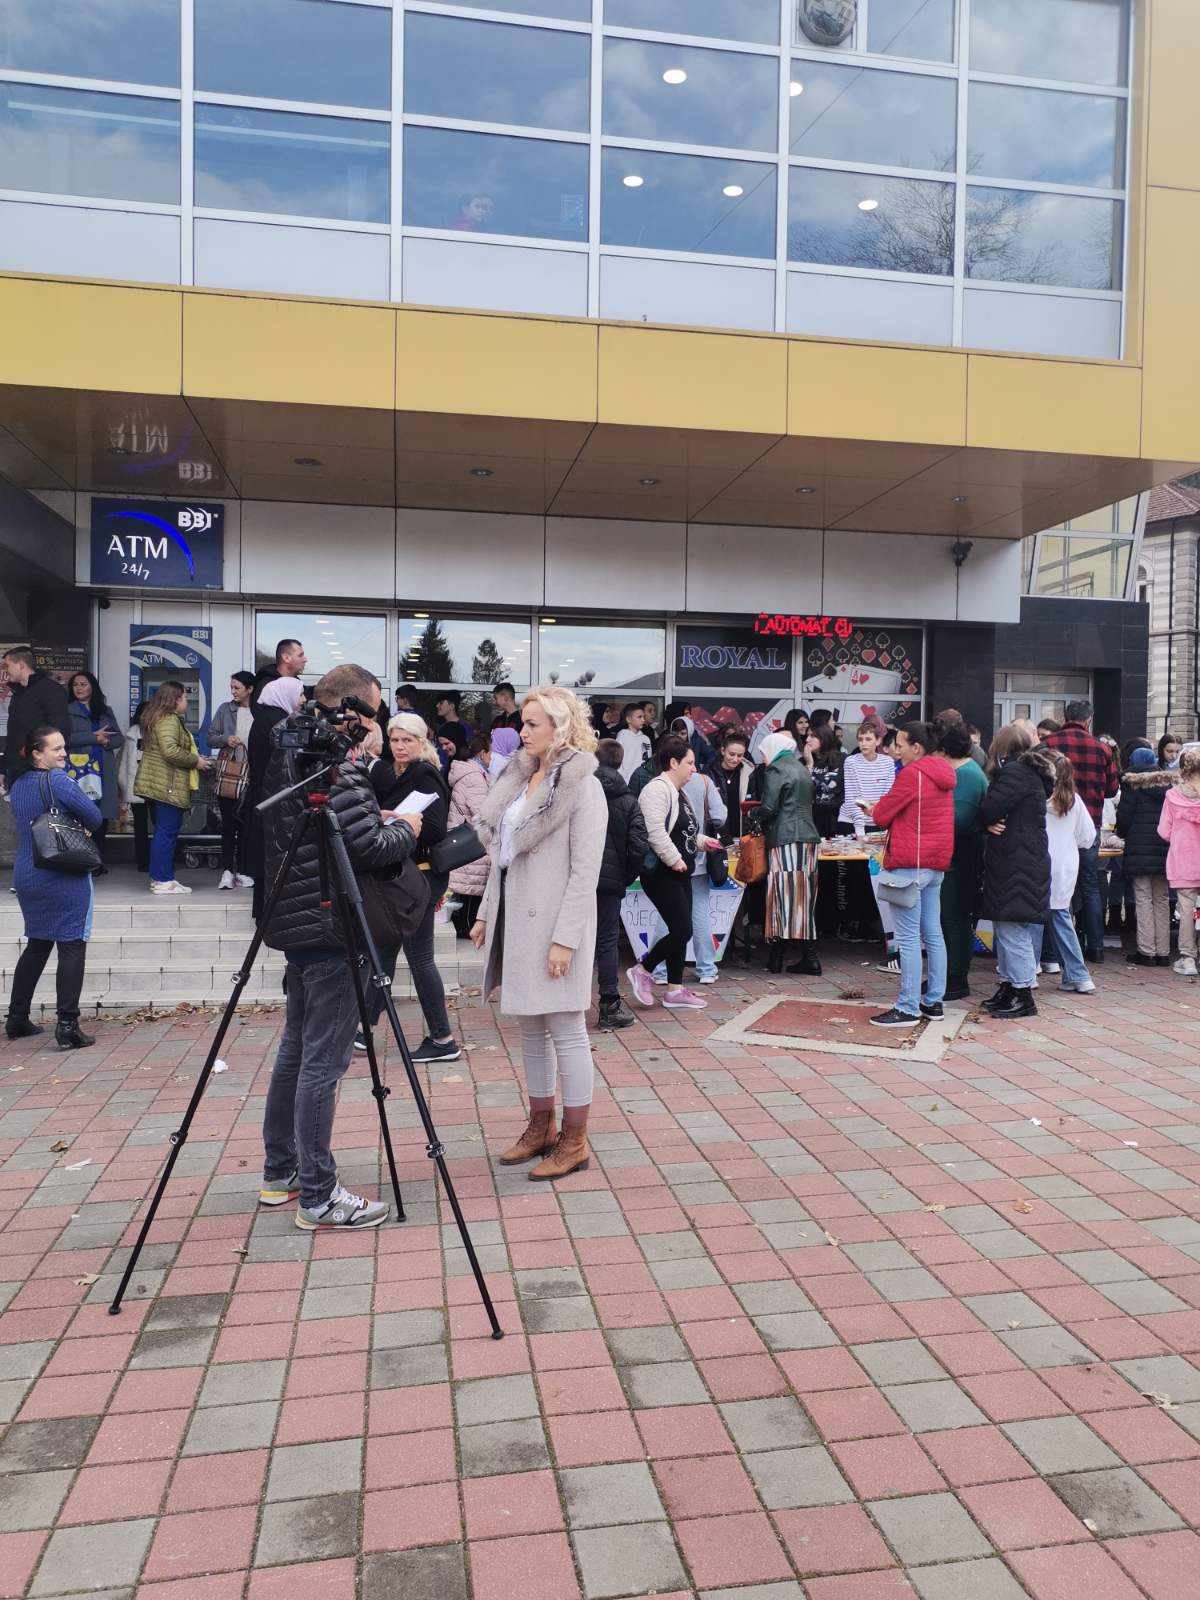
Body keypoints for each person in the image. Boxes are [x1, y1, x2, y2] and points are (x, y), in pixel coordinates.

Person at [258, 663, 423, 1229]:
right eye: (375, 714)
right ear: (350, 710)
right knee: (322, 1063)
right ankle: (318, 1195)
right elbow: (370, 847)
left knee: (295, 1050)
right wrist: (405, 828)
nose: (377, 727)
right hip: (333, 929)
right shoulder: (334, 768)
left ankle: (280, 1171)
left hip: (296, 922)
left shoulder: (287, 755)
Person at [470, 685, 607, 1179]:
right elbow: (501, 858)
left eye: (532, 724)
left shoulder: (583, 784)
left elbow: (585, 871)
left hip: (555, 923)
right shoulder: (522, 776)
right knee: (530, 1028)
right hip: (518, 917)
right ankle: (540, 1126)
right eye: (523, 723)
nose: (521, 731)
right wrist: (486, 912)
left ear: (561, 726)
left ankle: (575, 1139)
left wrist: (566, 939)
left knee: (567, 1030)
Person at [5, 725, 103, 1048]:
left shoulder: (18, 784)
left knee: (37, 944)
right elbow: (94, 816)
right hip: (62, 872)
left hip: (28, 872)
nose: (63, 753)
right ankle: (67, 1025)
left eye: (63, 747)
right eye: (55, 749)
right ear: (37, 753)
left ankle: (17, 1018)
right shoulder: (59, 781)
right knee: (72, 944)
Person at [368, 713, 457, 1062]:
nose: (400, 746)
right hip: (404, 879)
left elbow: (433, 829)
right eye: (395, 740)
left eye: (407, 740)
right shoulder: (399, 773)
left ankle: (443, 1038)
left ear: (422, 743)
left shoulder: (423, 774)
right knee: (385, 952)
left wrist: (389, 818)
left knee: (419, 958)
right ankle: (365, 1029)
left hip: (418, 880)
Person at [861, 723, 955, 1027]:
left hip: (909, 863)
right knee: (933, 933)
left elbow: (882, 815)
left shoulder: (912, 774)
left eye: (900, 745)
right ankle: (933, 1002)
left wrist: (871, 809)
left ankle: (908, 1007)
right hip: (934, 864)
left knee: (909, 938)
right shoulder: (942, 773)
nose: (893, 750)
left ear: (917, 747)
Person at [978, 725, 1056, 1019]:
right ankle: (1011, 987)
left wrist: (985, 821)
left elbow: (989, 808)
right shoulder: (1031, 773)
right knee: (1009, 928)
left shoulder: (1013, 773)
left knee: (1012, 930)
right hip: (1025, 859)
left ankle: (1022, 992)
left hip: (1015, 861)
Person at [628, 735, 709, 1009]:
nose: (694, 769)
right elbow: (654, 831)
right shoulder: (656, 789)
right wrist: (674, 859)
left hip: (680, 871)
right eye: (690, 763)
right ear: (673, 763)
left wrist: (702, 842)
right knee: (682, 929)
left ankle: (675, 989)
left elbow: (684, 831)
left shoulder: (678, 792)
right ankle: (643, 969)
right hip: (662, 873)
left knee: (680, 929)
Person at [1042, 700, 1119, 961]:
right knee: (1089, 886)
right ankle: (1095, 947)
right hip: (1090, 826)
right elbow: (1111, 789)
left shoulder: (1049, 744)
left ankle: (1051, 952)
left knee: (1052, 888)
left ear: (1065, 717)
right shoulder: (1102, 749)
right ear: (1088, 719)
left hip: (1055, 824)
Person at [649, 759, 727, 988]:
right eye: (690, 762)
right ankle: (706, 968)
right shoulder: (704, 782)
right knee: (698, 915)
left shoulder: (664, 787)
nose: (692, 768)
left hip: (674, 859)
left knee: (669, 918)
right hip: (695, 859)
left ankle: (660, 970)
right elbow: (720, 816)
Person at [134, 682, 211, 895]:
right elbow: (170, 752)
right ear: (175, 700)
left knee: (164, 831)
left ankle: (162, 877)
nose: (187, 702)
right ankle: (161, 880)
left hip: (163, 783)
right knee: (166, 832)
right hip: (167, 785)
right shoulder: (168, 720)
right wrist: (195, 761)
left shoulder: (159, 718)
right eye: (185, 698)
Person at [594, 738, 649, 1030]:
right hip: (611, 882)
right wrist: (626, 875)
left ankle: (564, 1005)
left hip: (579, 877)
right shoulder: (629, 801)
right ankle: (609, 1005)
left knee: (571, 940)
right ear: (619, 761)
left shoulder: (580, 792)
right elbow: (639, 845)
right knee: (606, 941)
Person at [757, 730, 822, 977]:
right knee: (802, 899)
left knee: (781, 898)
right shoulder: (801, 767)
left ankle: (778, 957)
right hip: (808, 839)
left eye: (763, 753)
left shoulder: (775, 769)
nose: (763, 759)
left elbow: (769, 807)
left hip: (785, 840)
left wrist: (753, 815)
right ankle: (808, 958)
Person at [1038, 752, 1097, 994]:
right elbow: (1088, 838)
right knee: (1062, 918)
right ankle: (1075, 974)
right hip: (1065, 865)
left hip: (1040, 863)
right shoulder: (1074, 801)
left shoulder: (1038, 801)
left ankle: (1032, 971)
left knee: (1034, 922)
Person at [938, 721, 988, 1002]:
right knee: (949, 918)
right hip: (956, 857)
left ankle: (956, 979)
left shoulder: (967, 775)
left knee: (954, 917)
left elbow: (958, 820)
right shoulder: (966, 772)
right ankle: (948, 975)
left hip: (961, 860)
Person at [246, 677, 304, 919]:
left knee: (264, 859)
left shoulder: (261, 719)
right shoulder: (279, 723)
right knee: (274, 857)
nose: (302, 700)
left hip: (262, 797)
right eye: (300, 694)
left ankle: (263, 911)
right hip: (275, 800)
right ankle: (271, 914)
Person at [1115, 745, 1173, 967]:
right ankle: (1164, 952)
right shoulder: (1168, 785)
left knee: (1143, 899)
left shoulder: (1133, 785)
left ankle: (1146, 951)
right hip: (1164, 849)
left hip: (1139, 850)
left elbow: (1124, 819)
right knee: (1161, 899)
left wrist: (1120, 833)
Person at [65, 670, 124, 872]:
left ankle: (97, 861)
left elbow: (118, 739)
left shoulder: (105, 710)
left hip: (103, 770)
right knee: (80, 815)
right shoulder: (67, 710)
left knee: (101, 816)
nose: (79, 688)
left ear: (92, 687)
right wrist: (93, 737)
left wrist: (106, 741)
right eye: (76, 685)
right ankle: (81, 861)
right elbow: (65, 740)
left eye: (83, 684)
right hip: (78, 769)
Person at [208, 671, 256, 890]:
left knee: (248, 826)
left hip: (253, 773)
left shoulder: (259, 711)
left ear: (250, 689)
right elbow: (210, 736)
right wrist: (226, 739)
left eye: (237, 687)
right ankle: (227, 870)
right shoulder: (225, 709)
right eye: (232, 687)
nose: (233, 691)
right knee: (228, 824)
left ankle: (245, 870)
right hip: (230, 773)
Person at [1, 648, 71, 792]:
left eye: (7, 665)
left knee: (42, 813)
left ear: (21, 665)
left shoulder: (50, 690)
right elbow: (14, 734)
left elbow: (61, 728)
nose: (5, 670)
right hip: (16, 770)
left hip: (42, 770)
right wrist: (3, 769)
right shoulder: (18, 693)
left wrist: (34, 751)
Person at [1158, 745, 1200, 977]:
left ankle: (1188, 958)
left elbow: (1164, 831)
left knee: (1186, 908)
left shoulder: (1173, 796)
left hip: (1184, 860)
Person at [446, 731, 492, 937]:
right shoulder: (474, 776)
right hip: (473, 841)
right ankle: (465, 929)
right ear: (482, 753)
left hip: (463, 839)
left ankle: (463, 926)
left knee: (466, 887)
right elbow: (481, 812)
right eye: (490, 754)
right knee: (471, 888)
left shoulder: (465, 771)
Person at [118, 700, 151, 873]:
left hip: (156, 786)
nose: (146, 717)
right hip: (137, 786)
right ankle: (143, 861)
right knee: (140, 827)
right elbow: (124, 764)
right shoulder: (131, 735)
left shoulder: (160, 732)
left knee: (160, 825)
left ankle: (160, 859)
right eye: (143, 713)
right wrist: (124, 787)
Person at [809, 724, 845, 839]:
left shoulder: (843, 759)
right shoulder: (804, 761)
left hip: (838, 819)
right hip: (814, 820)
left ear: (823, 738)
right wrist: (809, 763)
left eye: (812, 736)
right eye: (807, 736)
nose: (807, 739)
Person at [615, 703, 652, 782]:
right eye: (639, 717)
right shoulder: (623, 736)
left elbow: (648, 759)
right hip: (625, 781)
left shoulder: (645, 739)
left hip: (642, 780)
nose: (643, 720)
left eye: (644, 717)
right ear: (628, 719)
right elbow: (617, 759)